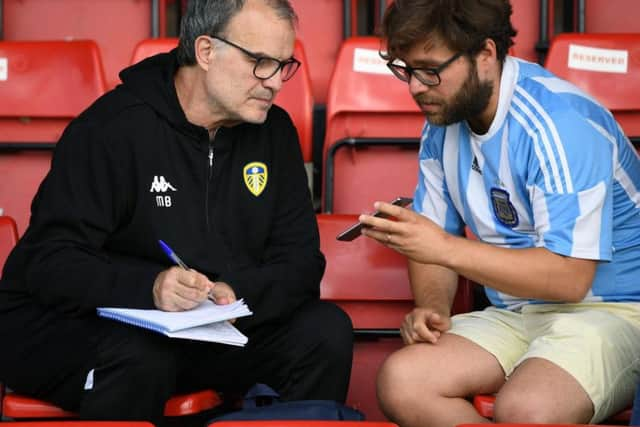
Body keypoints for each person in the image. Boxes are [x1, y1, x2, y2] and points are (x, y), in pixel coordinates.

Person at [0, 0, 353, 425]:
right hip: (77, 325)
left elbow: (301, 263)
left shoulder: (274, 133)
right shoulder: (112, 128)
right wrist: (150, 287)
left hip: (205, 330)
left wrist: (234, 291)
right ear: (206, 51)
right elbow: (50, 262)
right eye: (261, 62)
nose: (276, 82)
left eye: (283, 65)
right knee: (141, 355)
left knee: (324, 333)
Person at [357, 1, 640, 426]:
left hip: (614, 311)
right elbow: (431, 241)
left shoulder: (561, 123)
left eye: (430, 70)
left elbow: (569, 277)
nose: (415, 88)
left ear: (486, 54)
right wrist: (433, 306)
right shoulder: (441, 123)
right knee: (402, 381)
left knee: (529, 409)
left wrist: (444, 248)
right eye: (405, 70)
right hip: (515, 314)